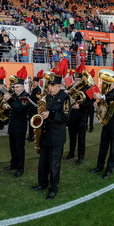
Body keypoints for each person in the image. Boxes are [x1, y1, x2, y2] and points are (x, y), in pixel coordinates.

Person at [32, 70, 70, 201]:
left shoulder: (64, 97)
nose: (50, 88)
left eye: (53, 85)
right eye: (49, 85)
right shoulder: (47, 97)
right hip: (45, 135)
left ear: (59, 86)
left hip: (56, 137)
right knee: (43, 163)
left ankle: (53, 188)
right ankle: (42, 183)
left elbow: (66, 117)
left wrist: (51, 114)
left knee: (54, 165)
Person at [90, 69, 114, 180]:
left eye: (108, 82)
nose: (105, 84)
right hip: (106, 124)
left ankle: (109, 170)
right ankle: (100, 166)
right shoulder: (107, 93)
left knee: (113, 149)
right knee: (103, 146)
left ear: (113, 83)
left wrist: (101, 97)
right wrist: (97, 105)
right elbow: (104, 108)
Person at [2, 72, 30, 178]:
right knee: (12, 147)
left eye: (18, 87)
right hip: (12, 124)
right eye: (15, 87)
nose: (16, 89)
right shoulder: (15, 96)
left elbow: (20, 109)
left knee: (19, 148)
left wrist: (10, 99)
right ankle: (13, 164)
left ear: (22, 87)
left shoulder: (26, 96)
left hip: (20, 126)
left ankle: (20, 168)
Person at [64, 65, 91, 165]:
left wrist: (80, 107)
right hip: (72, 117)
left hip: (81, 117)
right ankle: (71, 153)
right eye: (76, 80)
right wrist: (66, 94)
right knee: (72, 136)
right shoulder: (71, 88)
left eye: (79, 80)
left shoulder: (87, 88)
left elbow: (90, 103)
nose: (77, 82)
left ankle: (81, 156)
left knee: (81, 138)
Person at [27, 70, 43, 142]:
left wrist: (30, 96)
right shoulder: (32, 89)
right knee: (30, 122)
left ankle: (33, 136)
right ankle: (30, 135)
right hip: (30, 108)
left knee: (33, 123)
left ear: (37, 82)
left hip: (34, 108)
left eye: (34, 82)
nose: (33, 83)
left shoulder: (38, 90)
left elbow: (36, 97)